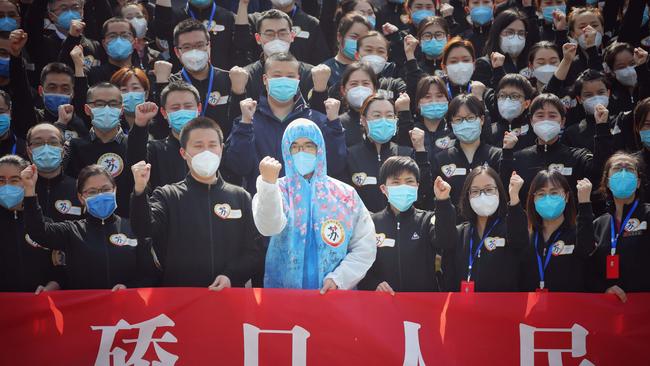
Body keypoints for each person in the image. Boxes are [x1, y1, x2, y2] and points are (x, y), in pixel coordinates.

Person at [130, 117, 264, 288]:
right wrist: (140, 191)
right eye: (198, 146)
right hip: (181, 300)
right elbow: (143, 230)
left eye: (212, 145)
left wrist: (231, 275)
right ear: (183, 152)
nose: (206, 152)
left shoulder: (241, 197)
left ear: (221, 149)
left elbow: (254, 251)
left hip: (228, 298)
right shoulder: (168, 196)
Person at [252, 118, 376, 292]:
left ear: (320, 149)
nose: (301, 152)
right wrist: (267, 185)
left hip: (334, 298)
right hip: (284, 297)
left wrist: (339, 278)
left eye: (309, 145)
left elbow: (365, 245)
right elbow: (268, 227)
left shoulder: (345, 195)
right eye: (294, 146)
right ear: (286, 151)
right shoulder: (276, 188)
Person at [22, 163, 158, 290]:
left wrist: (128, 288)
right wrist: (29, 191)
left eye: (105, 189)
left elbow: (149, 275)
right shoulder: (72, 231)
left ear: (115, 190)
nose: (100, 195)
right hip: (85, 312)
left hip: (126, 310)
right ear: (81, 198)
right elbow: (38, 231)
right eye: (92, 192)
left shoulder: (133, 228)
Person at [224, 52, 346, 193]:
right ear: (265, 79)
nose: (283, 80)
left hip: (307, 206)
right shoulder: (248, 120)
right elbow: (239, 167)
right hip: (264, 204)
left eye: (290, 76)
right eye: (277, 76)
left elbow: (336, 165)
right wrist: (245, 124)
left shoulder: (316, 120)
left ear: (298, 79)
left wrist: (334, 125)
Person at [358, 157, 456, 293]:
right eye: (396, 182)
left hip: (423, 306)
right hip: (384, 305)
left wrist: (443, 201)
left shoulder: (428, 220)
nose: (403, 186)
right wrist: (374, 284)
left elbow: (446, 241)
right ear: (383, 188)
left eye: (409, 181)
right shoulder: (372, 223)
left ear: (417, 186)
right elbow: (360, 263)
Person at [441, 167, 528, 292]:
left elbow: (520, 242)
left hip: (503, 309)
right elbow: (448, 273)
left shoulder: (510, 228)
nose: (482, 195)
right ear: (468, 196)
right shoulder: (460, 233)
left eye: (489, 189)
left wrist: (514, 196)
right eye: (475, 191)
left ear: (499, 191)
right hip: (464, 308)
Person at [346, 93, 432, 212]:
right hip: (363, 226)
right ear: (363, 120)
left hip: (401, 226)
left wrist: (421, 150)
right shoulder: (351, 155)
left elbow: (424, 191)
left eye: (389, 115)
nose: (383, 120)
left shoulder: (406, 153)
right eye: (377, 115)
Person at [65, 82, 134, 218]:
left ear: (121, 109)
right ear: (87, 109)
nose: (107, 108)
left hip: (127, 227)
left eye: (113, 104)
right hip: (85, 227)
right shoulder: (75, 147)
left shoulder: (133, 146)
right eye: (100, 104)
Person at [588, 152, 650, 300]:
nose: (623, 173)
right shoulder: (598, 225)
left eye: (629, 169)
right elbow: (589, 270)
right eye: (617, 168)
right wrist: (604, 288)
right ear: (608, 182)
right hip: (611, 310)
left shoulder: (648, 215)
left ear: (638, 182)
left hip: (644, 309)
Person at [520, 170, 594, 292]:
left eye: (554, 193)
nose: (548, 198)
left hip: (568, 308)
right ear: (533, 199)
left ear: (566, 197)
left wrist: (585, 203)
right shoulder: (528, 237)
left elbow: (587, 250)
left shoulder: (577, 233)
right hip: (534, 309)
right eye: (541, 194)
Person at [0, 155, 60, 293]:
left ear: (26, 181)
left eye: (15, 180)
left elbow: (61, 269)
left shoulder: (44, 224)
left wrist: (52, 286)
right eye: (1, 180)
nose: (7, 185)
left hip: (37, 307)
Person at [126, 82, 199, 190]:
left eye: (188, 106)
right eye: (175, 108)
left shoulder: (213, 147)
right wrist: (141, 124)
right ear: (164, 113)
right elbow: (135, 159)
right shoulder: (155, 150)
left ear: (199, 108)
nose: (182, 111)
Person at [432, 94, 502, 208]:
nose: (465, 123)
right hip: (454, 224)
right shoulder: (441, 159)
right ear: (451, 124)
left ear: (482, 119)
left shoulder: (497, 156)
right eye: (458, 119)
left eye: (470, 118)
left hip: (490, 222)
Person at [26, 123, 82, 222]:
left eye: (53, 142)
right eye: (38, 143)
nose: (46, 148)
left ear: (63, 150)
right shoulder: (21, 189)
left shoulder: (79, 189)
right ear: (29, 151)